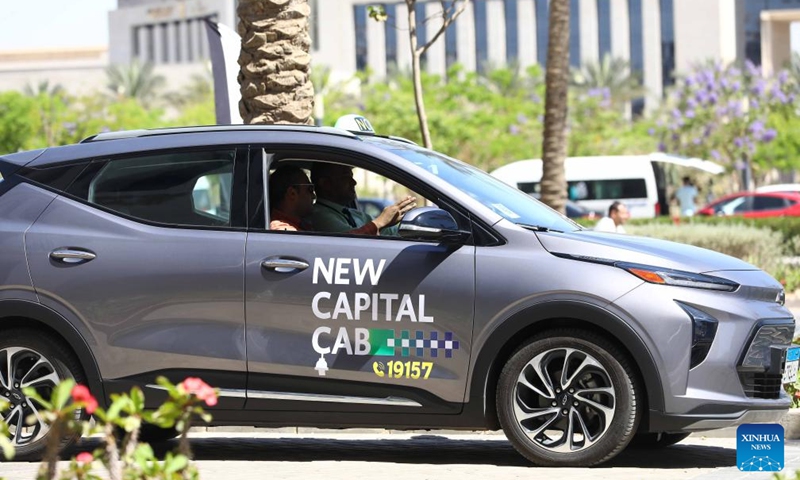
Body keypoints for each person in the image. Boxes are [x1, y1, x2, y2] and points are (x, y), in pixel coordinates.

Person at [309, 162, 416, 235]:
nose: (354, 182)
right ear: (326, 183)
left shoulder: (355, 214)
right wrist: (380, 222)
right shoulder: (319, 215)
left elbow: (391, 232)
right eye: (346, 177)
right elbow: (350, 242)